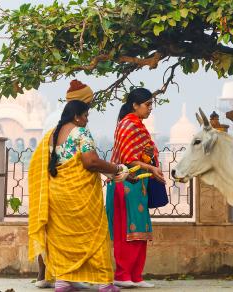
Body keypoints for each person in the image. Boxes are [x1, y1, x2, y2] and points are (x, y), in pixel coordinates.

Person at [28, 100, 128, 292]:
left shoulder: (50, 136)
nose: (86, 120)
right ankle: (104, 283)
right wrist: (118, 169)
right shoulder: (81, 132)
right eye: (85, 116)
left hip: (57, 195)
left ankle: (63, 281)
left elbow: (38, 164)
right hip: (80, 195)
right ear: (76, 116)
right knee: (95, 235)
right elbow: (90, 162)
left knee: (63, 238)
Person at [34, 80, 95, 290]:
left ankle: (52, 276)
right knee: (68, 231)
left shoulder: (62, 118)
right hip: (70, 182)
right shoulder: (76, 124)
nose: (91, 108)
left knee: (53, 229)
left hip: (53, 179)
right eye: (90, 102)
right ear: (83, 104)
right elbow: (86, 158)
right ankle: (55, 275)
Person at [106, 88, 165, 288]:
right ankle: (122, 275)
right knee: (127, 231)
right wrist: (152, 167)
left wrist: (149, 160)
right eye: (147, 105)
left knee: (140, 230)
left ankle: (136, 276)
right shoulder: (127, 125)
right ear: (135, 105)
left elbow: (141, 156)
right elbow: (128, 159)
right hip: (125, 183)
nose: (150, 109)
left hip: (139, 184)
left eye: (151, 105)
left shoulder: (139, 125)